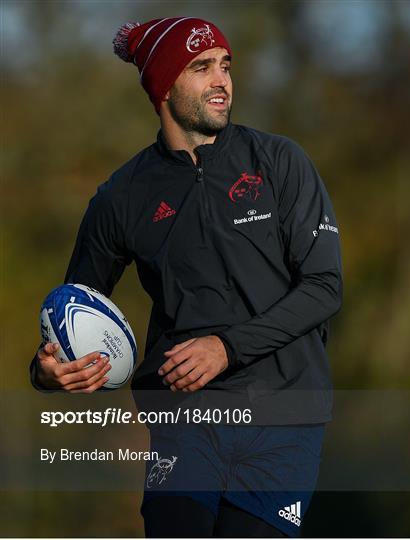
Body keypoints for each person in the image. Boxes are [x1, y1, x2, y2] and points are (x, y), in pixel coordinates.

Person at [30, 17, 343, 538]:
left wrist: (226, 347)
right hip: (185, 419)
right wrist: (46, 374)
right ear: (164, 87)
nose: (222, 80)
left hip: (287, 417)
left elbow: (324, 287)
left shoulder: (281, 161)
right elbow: (74, 309)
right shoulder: (120, 197)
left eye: (225, 65)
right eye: (202, 68)